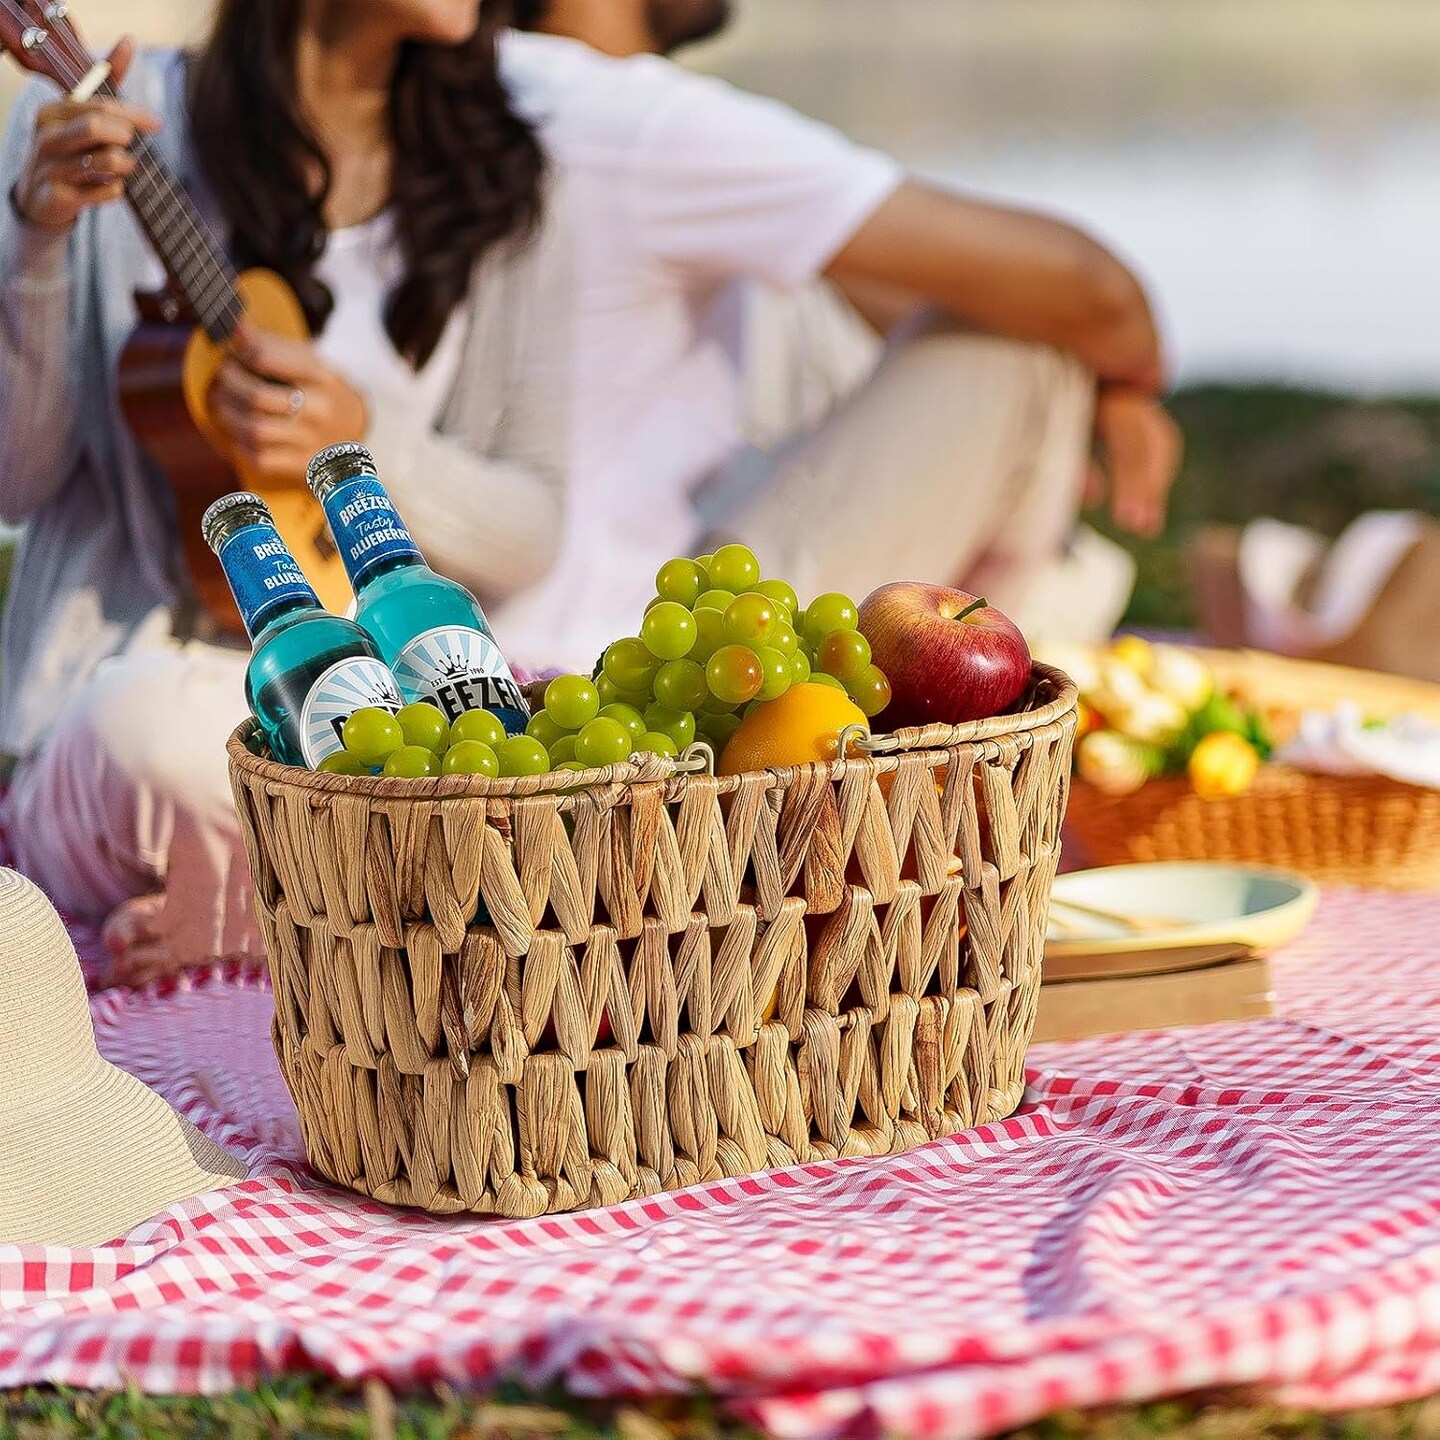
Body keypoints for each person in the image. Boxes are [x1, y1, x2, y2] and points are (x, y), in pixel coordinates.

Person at [0, 0, 570, 983]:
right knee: (157, 732)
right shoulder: (109, 128)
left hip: (371, 713)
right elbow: (16, 477)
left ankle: (289, 899)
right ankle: (353, 899)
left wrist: (363, 435)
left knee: (480, 741)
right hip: (142, 714)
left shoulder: (502, 181)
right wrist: (37, 242)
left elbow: (531, 529)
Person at [488, 0, 1183, 675]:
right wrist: (1128, 381)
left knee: (1021, 312)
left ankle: (984, 681)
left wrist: (1096, 376)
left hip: (566, 626)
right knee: (1024, 341)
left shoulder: (482, 94)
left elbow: (904, 288)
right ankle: (981, 707)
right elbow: (1095, 290)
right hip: (663, 648)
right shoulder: (634, 119)